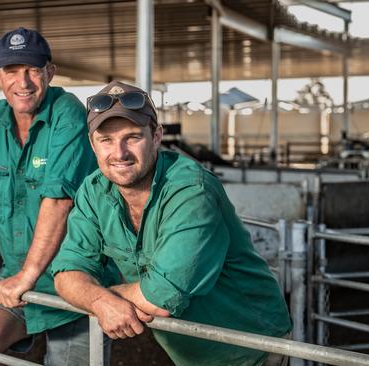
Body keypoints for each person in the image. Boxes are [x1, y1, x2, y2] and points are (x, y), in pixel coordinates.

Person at [51, 81, 292, 366]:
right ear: (92, 144)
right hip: (190, 352)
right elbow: (67, 271)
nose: (120, 152)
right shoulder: (94, 190)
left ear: (156, 136)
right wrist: (100, 302)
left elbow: (159, 297)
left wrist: (98, 296)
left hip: (252, 348)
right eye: (106, 140)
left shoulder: (191, 190)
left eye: (133, 137)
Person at [0, 27, 116, 366]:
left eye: (32, 69)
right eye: (12, 71)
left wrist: (27, 277)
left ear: (50, 72)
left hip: (75, 278)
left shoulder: (68, 112)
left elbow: (59, 199)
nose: (24, 82)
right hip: (15, 274)